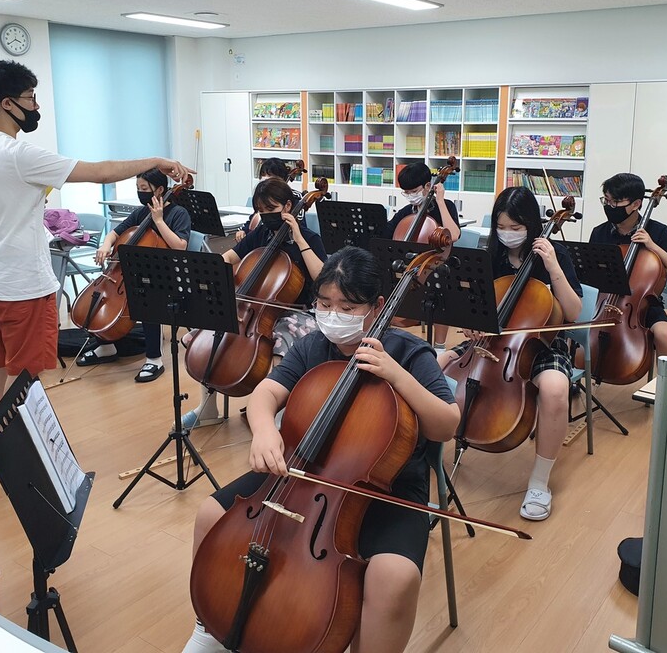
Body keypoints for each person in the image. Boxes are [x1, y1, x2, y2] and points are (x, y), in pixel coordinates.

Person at [181, 246, 460, 653]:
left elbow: (446, 425)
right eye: (325, 304)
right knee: (211, 513)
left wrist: (396, 375)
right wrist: (263, 432)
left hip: (387, 488)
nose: (333, 315)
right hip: (303, 470)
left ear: (377, 306)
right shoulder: (312, 346)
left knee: (394, 576)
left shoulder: (408, 352)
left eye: (347, 306)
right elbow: (265, 394)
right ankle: (210, 628)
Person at [0, 59, 192, 470]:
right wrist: (157, 159)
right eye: (30, 98)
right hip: (23, 285)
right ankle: (22, 454)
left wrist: (10, 206)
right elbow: (98, 172)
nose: (36, 105)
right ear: (7, 103)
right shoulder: (16, 153)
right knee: (25, 376)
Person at [437, 186, 583, 521]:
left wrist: (553, 266)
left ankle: (539, 482)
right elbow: (475, 307)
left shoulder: (554, 254)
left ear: (531, 225)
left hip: (542, 342)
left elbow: (573, 311)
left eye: (516, 228)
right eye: (502, 227)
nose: (508, 234)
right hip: (491, 340)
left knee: (555, 389)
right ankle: (426, 453)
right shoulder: (491, 255)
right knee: (435, 362)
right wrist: (474, 324)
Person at [181, 177, 327, 430]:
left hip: (299, 312)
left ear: (288, 206)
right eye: (260, 211)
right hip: (255, 309)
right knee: (207, 333)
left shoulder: (310, 238)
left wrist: (299, 239)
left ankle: (279, 415)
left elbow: (324, 280)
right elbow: (230, 257)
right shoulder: (261, 232)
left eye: (271, 210)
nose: (265, 216)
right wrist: (212, 272)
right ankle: (207, 408)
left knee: (282, 340)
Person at [75, 168, 191, 382]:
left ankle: (154, 359)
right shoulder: (141, 212)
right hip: (133, 273)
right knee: (101, 299)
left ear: (160, 190)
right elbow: (117, 232)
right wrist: (106, 245)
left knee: (148, 298)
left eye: (144, 189)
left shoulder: (178, 213)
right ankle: (106, 346)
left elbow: (180, 246)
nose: (141, 192)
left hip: (166, 275)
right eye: (138, 188)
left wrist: (158, 221)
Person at [588, 173, 667, 361]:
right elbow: (590, 275)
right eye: (606, 201)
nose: (609, 207)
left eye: (615, 202)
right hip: (604, 301)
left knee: (665, 334)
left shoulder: (658, 231)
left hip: (643, 305)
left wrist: (652, 246)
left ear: (635, 204)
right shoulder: (600, 233)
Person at [383, 161, 461, 348]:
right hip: (411, 267)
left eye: (414, 191)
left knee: (443, 287)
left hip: (439, 266)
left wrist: (440, 200)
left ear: (428, 186)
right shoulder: (405, 213)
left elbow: (454, 235)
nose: (410, 196)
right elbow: (387, 238)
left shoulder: (445, 206)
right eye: (406, 192)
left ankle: (440, 346)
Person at [234, 157, 302, 242]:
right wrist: (243, 230)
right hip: (261, 240)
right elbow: (255, 216)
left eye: (270, 177)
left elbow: (301, 226)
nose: (265, 180)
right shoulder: (262, 196)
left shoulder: (295, 197)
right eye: (263, 176)